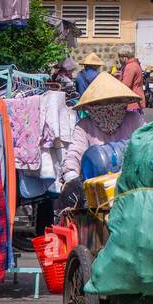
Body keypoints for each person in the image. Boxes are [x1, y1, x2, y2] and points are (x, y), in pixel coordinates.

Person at [58, 72, 144, 209]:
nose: (108, 108)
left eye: (113, 102)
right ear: (92, 106)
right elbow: (73, 155)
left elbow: (147, 145)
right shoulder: (84, 126)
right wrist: (71, 177)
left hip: (131, 190)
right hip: (97, 197)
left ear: (121, 102)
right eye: (102, 103)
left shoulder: (133, 119)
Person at [117, 44, 145, 111]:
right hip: (137, 98)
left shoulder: (130, 67)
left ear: (124, 57)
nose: (119, 60)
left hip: (132, 101)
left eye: (119, 57)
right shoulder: (135, 64)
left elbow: (125, 85)